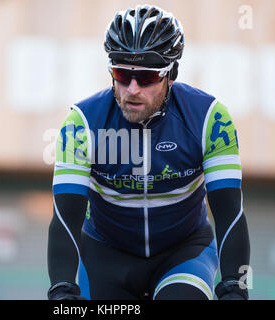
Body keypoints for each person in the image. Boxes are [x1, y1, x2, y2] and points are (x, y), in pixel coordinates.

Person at [47, 4, 250, 300]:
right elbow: (65, 217)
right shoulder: (82, 124)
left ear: (172, 73)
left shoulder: (209, 119)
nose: (131, 89)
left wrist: (234, 285)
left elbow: (229, 210)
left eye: (146, 77)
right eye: (121, 73)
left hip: (183, 252)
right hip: (106, 256)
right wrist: (62, 288)